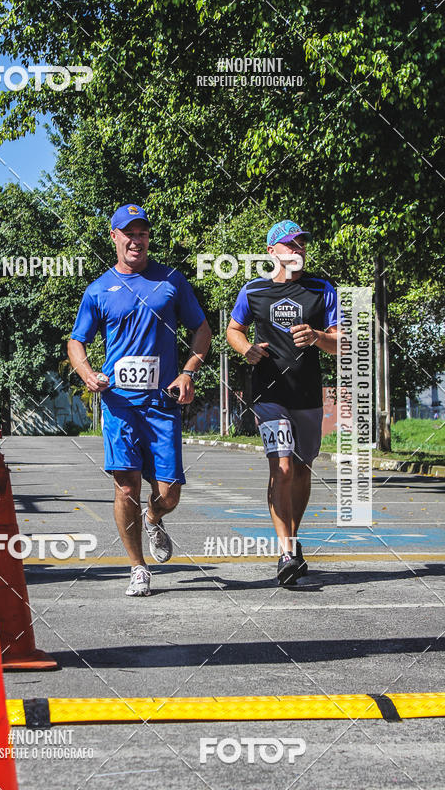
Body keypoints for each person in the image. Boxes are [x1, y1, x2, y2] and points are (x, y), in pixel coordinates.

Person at [68, 204, 211, 596]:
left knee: (169, 493)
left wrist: (188, 371)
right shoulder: (99, 289)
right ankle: (137, 567)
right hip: (119, 404)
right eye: (128, 233)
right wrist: (87, 373)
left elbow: (202, 329)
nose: (136, 239)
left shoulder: (171, 281)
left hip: (162, 404)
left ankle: (154, 516)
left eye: (142, 232)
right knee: (126, 485)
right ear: (114, 237)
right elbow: (76, 341)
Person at [226, 219, 341, 586]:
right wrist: (246, 349)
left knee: (303, 470)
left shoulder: (322, 290)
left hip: (306, 394)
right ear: (271, 251)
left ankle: (293, 536)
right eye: (290, 245)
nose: (298, 250)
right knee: (283, 467)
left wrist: (318, 336)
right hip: (269, 394)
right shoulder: (253, 290)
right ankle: (287, 552)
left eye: (302, 243)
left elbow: (342, 343)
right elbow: (233, 329)